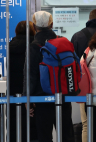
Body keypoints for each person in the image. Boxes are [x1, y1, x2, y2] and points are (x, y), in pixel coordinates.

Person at [26, 11, 74, 142]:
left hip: (42, 98)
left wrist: (28, 99)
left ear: (34, 27)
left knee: (44, 136)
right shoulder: (62, 43)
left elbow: (30, 74)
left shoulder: (33, 46)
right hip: (62, 95)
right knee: (66, 135)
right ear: (52, 25)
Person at [9, 20, 37, 142]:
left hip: (12, 91)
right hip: (29, 91)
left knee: (13, 125)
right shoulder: (34, 45)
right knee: (31, 127)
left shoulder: (11, 45)